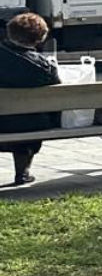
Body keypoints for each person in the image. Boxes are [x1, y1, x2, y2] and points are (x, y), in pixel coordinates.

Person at [0, 12, 60, 187]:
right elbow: (56, 91)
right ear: (39, 39)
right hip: (32, 124)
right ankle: (22, 172)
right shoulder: (45, 67)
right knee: (29, 116)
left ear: (9, 32)